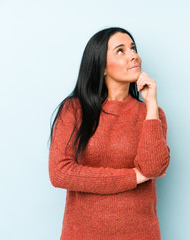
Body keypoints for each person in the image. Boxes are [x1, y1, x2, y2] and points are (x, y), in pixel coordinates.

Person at [48, 27, 170, 239]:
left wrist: (151, 103)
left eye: (133, 48)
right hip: (83, 233)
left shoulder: (152, 114)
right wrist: (133, 176)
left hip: (140, 233)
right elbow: (60, 173)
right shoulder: (74, 110)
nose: (134, 55)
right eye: (121, 51)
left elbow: (152, 168)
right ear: (102, 66)